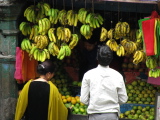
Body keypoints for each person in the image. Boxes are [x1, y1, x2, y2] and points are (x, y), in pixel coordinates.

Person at [80, 45, 128, 120]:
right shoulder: (118, 76)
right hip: (112, 115)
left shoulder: (88, 75)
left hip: (94, 115)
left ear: (97, 58)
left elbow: (83, 99)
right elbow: (123, 99)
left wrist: (95, 102)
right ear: (111, 59)